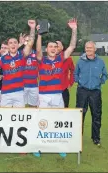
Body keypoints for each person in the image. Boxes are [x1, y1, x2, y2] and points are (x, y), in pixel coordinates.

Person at [35, 18, 78, 158]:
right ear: (46, 49)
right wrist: (40, 34)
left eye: (55, 47)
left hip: (57, 95)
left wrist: (74, 30)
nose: (53, 49)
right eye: (50, 47)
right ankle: (39, 146)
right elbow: (37, 49)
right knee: (42, 121)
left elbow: (72, 46)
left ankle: (60, 146)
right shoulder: (42, 60)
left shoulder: (61, 59)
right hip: (44, 96)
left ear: (57, 49)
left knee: (57, 121)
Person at [0, 20, 36, 108]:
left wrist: (32, 28)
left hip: (19, 92)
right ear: (8, 46)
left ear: (18, 45)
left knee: (19, 116)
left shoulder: (22, 55)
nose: (13, 44)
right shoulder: (3, 58)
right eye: (10, 43)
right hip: (5, 93)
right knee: (5, 116)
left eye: (15, 42)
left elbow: (30, 43)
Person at [74, 41, 108, 147]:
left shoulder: (100, 62)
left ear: (95, 49)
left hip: (95, 92)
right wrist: (79, 81)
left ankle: (96, 138)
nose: (88, 50)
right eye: (86, 48)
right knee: (79, 115)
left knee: (96, 115)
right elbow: (75, 73)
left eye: (90, 48)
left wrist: (100, 82)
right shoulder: (80, 61)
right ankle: (77, 137)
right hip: (82, 91)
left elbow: (105, 75)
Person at [56, 40, 75, 108]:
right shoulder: (49, 58)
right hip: (51, 90)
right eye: (55, 46)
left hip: (63, 89)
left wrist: (71, 82)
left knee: (65, 110)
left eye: (58, 46)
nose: (56, 48)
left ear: (62, 47)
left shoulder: (68, 58)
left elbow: (73, 70)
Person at [22, 35, 39, 107]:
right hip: (21, 85)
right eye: (26, 40)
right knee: (20, 107)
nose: (28, 42)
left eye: (29, 40)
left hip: (33, 85)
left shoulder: (37, 54)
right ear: (23, 42)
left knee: (33, 106)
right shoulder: (19, 54)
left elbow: (39, 70)